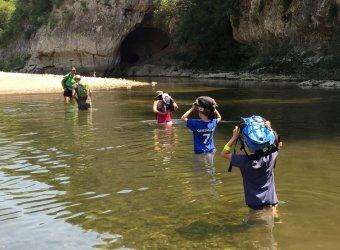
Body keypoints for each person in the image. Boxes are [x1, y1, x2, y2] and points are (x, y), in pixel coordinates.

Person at [220, 121, 280, 217]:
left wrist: (234, 137)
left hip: (253, 201)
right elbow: (278, 144)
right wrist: (269, 129)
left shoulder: (243, 160)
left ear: (246, 145)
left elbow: (224, 153)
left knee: (252, 218)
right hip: (270, 199)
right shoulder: (270, 156)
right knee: (273, 212)